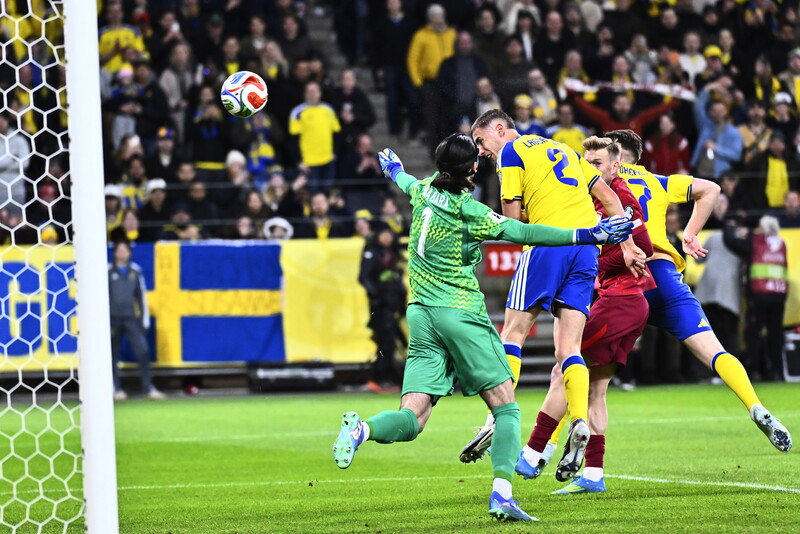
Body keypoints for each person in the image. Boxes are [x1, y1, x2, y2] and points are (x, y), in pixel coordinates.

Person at [331, 133, 633, 522]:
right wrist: (585, 234)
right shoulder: (469, 211)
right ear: (473, 167)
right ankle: (502, 496)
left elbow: (407, 182)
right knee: (506, 407)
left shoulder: (422, 191)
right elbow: (523, 232)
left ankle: (362, 431)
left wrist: (395, 171)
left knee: (413, 418)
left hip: (420, 316)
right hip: (459, 313)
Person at [527, 130, 792, 478]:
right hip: (666, 276)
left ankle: (548, 449)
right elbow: (711, 189)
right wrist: (690, 234)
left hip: (627, 280)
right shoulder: (658, 181)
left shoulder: (599, 185)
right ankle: (755, 405)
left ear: (617, 157)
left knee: (580, 370)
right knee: (715, 351)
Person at [465, 110, 646, 478]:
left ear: (500, 129)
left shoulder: (511, 152)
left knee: (513, 332)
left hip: (549, 244)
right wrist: (628, 246)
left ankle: (496, 417)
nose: (481, 150)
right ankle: (578, 419)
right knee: (569, 349)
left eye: (481, 141)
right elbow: (611, 200)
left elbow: (511, 223)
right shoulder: (564, 148)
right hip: (587, 251)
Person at [516, 136, 655, 493]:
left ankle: (536, 450)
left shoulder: (620, 197)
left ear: (615, 165)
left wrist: (594, 261)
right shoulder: (588, 196)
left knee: (564, 366)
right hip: (627, 303)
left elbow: (643, 246)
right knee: (596, 389)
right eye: (587, 162)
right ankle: (593, 473)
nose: (590, 168)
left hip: (620, 302)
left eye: (597, 163)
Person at [724, 215, 789, 381]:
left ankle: (753, 371)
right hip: (779, 296)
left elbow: (731, 241)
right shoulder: (781, 244)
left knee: (753, 334)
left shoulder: (755, 242)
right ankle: (777, 372)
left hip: (759, 296)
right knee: (776, 335)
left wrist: (729, 226)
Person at [108, 240, 164, 401]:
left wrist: (144, 320)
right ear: (115, 253)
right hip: (112, 319)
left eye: (124, 250)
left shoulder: (135, 271)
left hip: (130, 318)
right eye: (119, 250)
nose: (122, 253)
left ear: (129, 252)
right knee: (111, 355)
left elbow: (141, 297)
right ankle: (115, 388)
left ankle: (148, 387)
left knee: (143, 351)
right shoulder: (107, 271)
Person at [359, 224, 407, 393]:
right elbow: (363, 277)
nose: (387, 238)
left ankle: (386, 378)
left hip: (392, 307)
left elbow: (397, 281)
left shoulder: (392, 254)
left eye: (389, 234)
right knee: (385, 343)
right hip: (379, 307)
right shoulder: (372, 253)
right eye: (383, 234)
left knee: (391, 344)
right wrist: (376, 297)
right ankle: (378, 378)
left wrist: (401, 304)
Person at [289, 81, 341, 192]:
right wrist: (298, 160)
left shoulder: (329, 110)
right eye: (309, 91)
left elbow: (337, 133)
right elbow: (293, 139)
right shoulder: (297, 112)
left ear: (320, 93)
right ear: (305, 94)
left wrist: (334, 153)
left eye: (315, 91)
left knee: (328, 191)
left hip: (328, 159)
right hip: (309, 161)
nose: (312, 94)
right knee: (313, 193)